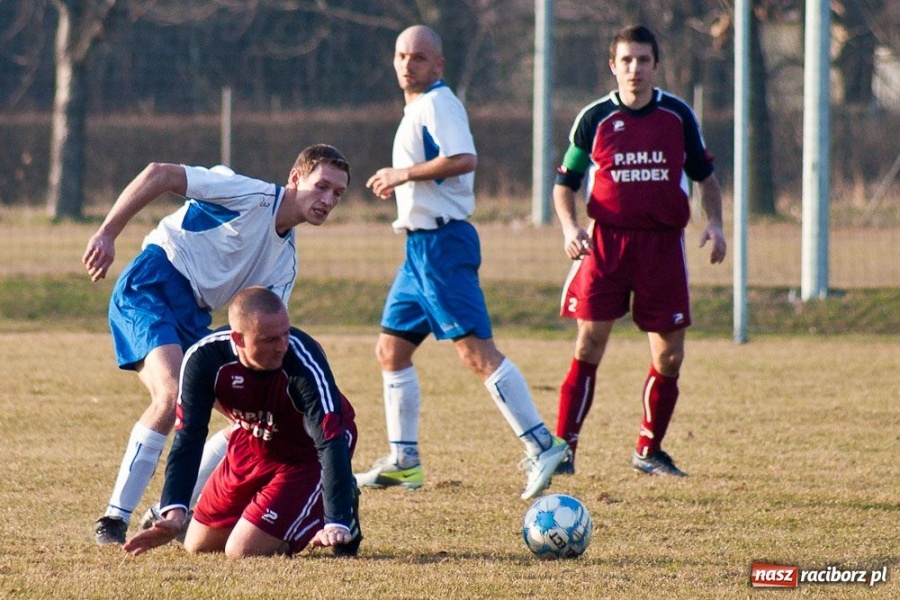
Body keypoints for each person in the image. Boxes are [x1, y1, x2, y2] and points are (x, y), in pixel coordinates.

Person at [83, 144, 351, 544]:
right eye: (321, 186)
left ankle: (170, 512)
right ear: (295, 179)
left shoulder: (285, 263)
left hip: (197, 315)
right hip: (152, 285)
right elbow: (160, 172)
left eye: (337, 194)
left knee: (246, 417)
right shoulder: (247, 194)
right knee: (172, 393)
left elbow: (261, 334)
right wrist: (107, 233)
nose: (327, 200)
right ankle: (113, 519)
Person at [359, 24, 568, 501]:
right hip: (417, 252)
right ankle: (405, 462)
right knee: (391, 351)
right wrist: (403, 183)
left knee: (476, 354)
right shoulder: (417, 107)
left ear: (438, 65)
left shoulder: (439, 103)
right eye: (401, 55)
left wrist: (402, 174)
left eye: (418, 57)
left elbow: (464, 158)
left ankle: (543, 445)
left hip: (442, 247)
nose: (407, 64)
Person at [552, 25, 726, 477]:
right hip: (607, 243)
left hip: (662, 247)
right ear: (613, 66)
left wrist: (716, 224)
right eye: (626, 60)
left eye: (643, 60)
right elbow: (564, 184)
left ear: (655, 64)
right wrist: (571, 227)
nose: (634, 69)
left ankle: (648, 451)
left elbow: (706, 176)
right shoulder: (594, 119)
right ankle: (563, 451)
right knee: (589, 344)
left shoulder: (677, 115)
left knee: (670, 356)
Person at [122, 286, 362, 558]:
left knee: (241, 550)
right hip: (254, 442)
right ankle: (265, 515)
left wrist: (337, 518)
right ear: (239, 339)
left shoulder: (302, 359)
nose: (283, 345)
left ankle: (340, 498)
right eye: (269, 340)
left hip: (306, 454)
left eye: (286, 333)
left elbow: (330, 439)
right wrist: (175, 512)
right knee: (197, 546)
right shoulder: (205, 359)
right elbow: (189, 438)